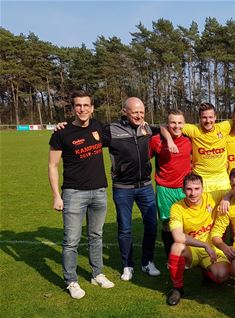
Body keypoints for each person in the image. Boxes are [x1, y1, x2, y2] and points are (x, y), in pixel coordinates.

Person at [48, 90, 114, 299]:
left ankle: (97, 274)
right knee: (72, 240)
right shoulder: (61, 133)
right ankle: (72, 281)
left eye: (86, 105)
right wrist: (56, 196)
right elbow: (52, 165)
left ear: (92, 108)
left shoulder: (98, 127)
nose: (82, 109)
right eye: (78, 105)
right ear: (73, 108)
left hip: (99, 191)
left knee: (96, 236)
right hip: (73, 193)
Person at [105, 97, 161, 281]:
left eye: (141, 112)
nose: (139, 115)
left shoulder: (148, 129)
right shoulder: (112, 130)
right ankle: (127, 265)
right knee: (125, 229)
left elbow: (169, 128)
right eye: (135, 112)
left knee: (152, 225)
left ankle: (147, 262)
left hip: (145, 186)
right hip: (123, 188)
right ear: (125, 111)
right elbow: (88, 135)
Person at [161, 103, 235, 203]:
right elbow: (164, 126)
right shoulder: (194, 130)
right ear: (199, 118)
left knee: (224, 210)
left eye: (210, 117)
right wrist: (170, 140)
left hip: (222, 179)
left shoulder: (224, 127)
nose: (208, 121)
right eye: (204, 117)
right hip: (202, 180)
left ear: (215, 117)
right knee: (206, 214)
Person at [166, 173, 231, 306]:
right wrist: (204, 245)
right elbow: (178, 236)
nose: (193, 193)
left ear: (203, 188)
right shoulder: (176, 207)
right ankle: (177, 288)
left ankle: (207, 272)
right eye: (189, 189)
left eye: (197, 189)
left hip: (212, 248)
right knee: (177, 246)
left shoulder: (212, 196)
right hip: (193, 250)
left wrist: (226, 198)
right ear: (183, 190)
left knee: (221, 275)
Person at [149, 110, 192, 258]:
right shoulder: (157, 140)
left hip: (184, 189)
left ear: (184, 124)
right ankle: (170, 256)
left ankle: (186, 254)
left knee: (186, 223)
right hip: (165, 189)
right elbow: (144, 158)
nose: (176, 126)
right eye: (173, 122)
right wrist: (168, 139)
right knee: (168, 225)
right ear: (168, 124)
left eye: (180, 122)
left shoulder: (189, 139)